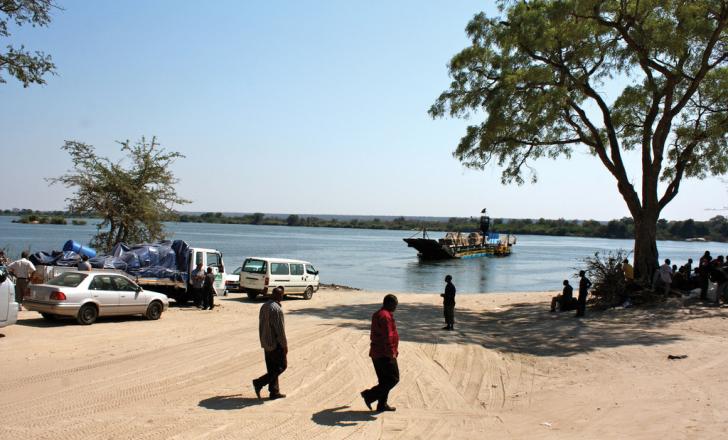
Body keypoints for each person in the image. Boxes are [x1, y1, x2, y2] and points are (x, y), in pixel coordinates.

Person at [361, 294, 400, 412]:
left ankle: (382, 404)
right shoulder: (385, 317)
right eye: (394, 305)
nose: (395, 307)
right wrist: (392, 352)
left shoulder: (379, 314)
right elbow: (387, 337)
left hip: (377, 353)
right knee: (394, 378)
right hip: (384, 353)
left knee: (384, 380)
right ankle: (369, 395)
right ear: (388, 303)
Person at [252, 287, 288, 400]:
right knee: (282, 366)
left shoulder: (264, 306)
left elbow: (261, 324)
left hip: (265, 341)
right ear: (279, 296)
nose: (282, 297)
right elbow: (280, 330)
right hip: (275, 344)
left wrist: (262, 339)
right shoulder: (277, 309)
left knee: (272, 368)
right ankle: (259, 382)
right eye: (282, 295)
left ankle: (274, 391)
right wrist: (284, 345)